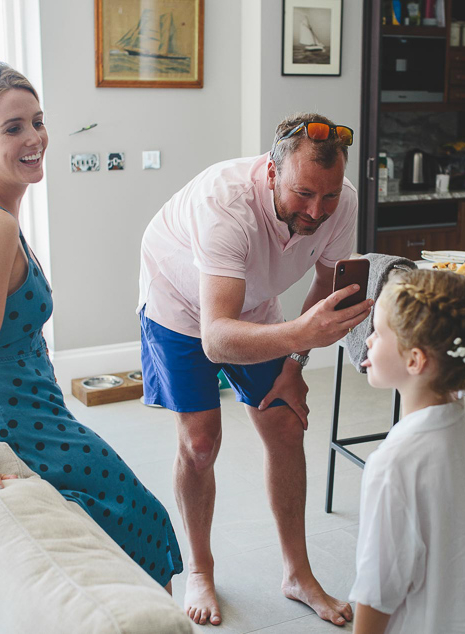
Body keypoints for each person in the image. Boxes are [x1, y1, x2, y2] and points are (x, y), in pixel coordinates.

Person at [0, 60, 182, 590]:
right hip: (24, 422)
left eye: (37, 121)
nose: (35, 137)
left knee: (131, 515)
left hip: (36, 407)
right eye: (13, 128)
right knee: (143, 515)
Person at [138, 113, 372, 626]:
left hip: (251, 301)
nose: (317, 211)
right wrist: (301, 334)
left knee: (286, 421)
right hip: (178, 305)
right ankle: (200, 568)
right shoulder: (225, 204)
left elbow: (325, 283)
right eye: (304, 194)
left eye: (328, 196)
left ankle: (297, 573)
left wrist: (294, 361)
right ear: (271, 172)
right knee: (200, 443)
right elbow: (217, 338)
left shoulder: (341, 201)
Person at [349, 269, 465, 633]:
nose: (368, 340)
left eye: (380, 333)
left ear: (415, 360)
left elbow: (378, 591)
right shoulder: (464, 429)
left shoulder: (392, 463)